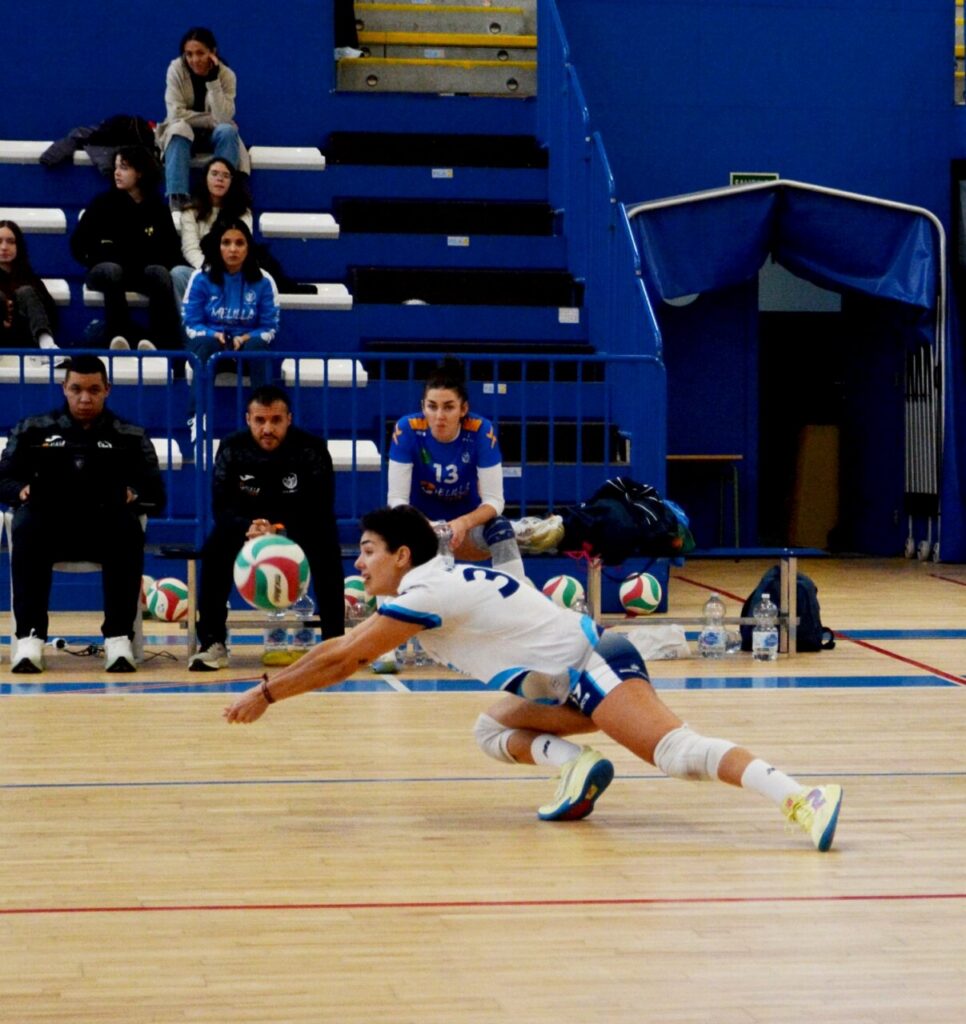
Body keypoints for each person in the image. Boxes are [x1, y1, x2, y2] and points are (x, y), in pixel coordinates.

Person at [224, 505, 844, 852]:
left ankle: (800, 796)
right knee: (490, 729)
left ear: (401, 556)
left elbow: (346, 658)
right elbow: (344, 645)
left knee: (677, 753)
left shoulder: (427, 587)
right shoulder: (427, 584)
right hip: (562, 683)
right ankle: (574, 768)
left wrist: (268, 691)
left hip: (590, 667)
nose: (358, 563)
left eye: (366, 550)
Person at [0, 355, 166, 673]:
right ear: (64, 388)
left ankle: (118, 639)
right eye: (76, 389)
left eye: (93, 389)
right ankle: (30, 640)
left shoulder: (130, 436)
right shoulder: (32, 430)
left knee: (128, 526)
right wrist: (21, 491)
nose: (85, 398)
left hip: (105, 532)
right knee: (26, 523)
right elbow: (2, 480)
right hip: (49, 532)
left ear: (107, 390)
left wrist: (135, 494)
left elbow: (156, 495)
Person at [189, 385, 346, 670]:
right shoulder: (232, 448)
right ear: (248, 419)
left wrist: (278, 529)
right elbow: (221, 507)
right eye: (260, 421)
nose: (267, 429)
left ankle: (335, 643)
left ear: (289, 419)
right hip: (247, 529)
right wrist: (250, 527)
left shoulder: (312, 449)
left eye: (276, 420)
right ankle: (212, 641)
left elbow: (320, 507)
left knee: (326, 542)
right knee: (215, 547)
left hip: (300, 527)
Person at [387, 359, 526, 580]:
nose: (439, 415)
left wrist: (462, 523)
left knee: (501, 528)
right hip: (421, 528)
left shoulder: (480, 431)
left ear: (464, 409)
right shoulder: (407, 429)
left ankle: (519, 603)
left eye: (449, 407)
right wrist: (428, 525)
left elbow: (494, 501)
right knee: (389, 528)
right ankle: (390, 607)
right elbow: (397, 499)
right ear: (423, 406)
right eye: (432, 406)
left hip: (467, 532)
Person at [69, 145, 183, 352]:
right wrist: (95, 258)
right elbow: (77, 244)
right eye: (115, 168)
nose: (117, 173)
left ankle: (159, 342)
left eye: (123, 167)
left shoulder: (156, 207)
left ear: (139, 172)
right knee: (112, 270)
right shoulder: (103, 203)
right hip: (103, 270)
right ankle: (118, 337)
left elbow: (171, 249)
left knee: (159, 273)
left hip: (138, 271)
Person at [182, 218, 279, 426]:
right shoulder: (200, 277)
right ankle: (197, 421)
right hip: (210, 343)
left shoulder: (264, 281)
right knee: (205, 346)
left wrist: (245, 337)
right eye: (226, 242)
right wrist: (213, 335)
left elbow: (269, 327)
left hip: (246, 348)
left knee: (257, 346)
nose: (232, 249)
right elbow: (191, 323)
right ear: (218, 246)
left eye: (239, 243)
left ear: (248, 247)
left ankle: (263, 418)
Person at [155, 27, 249, 211]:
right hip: (182, 134)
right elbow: (175, 114)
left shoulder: (226, 75)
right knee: (178, 129)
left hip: (214, 134)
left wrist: (213, 82)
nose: (194, 60)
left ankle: (220, 197)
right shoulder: (175, 69)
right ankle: (178, 198)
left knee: (228, 131)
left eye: (200, 53)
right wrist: (209, 119)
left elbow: (223, 118)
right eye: (189, 54)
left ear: (212, 53)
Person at [171, 156, 253, 306]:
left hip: (233, 270)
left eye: (225, 176)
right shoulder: (190, 212)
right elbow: (190, 249)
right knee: (178, 273)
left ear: (232, 181)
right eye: (214, 174)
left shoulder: (243, 212)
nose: (220, 179)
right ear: (205, 178)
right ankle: (188, 328)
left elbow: (243, 246)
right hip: (203, 269)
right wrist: (210, 271)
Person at [0, 220, 59, 352]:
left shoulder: (30, 279)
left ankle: (47, 346)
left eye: (10, 241)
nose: (4, 247)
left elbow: (52, 315)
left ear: (18, 246)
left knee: (26, 292)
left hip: (26, 340)